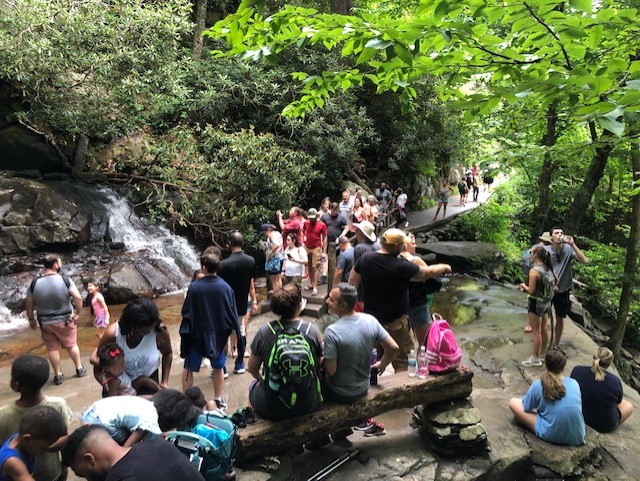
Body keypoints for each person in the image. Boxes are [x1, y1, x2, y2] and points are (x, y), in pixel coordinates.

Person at [349, 228, 452, 370]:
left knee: (373, 358)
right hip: (396, 324)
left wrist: (357, 307)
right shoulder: (401, 266)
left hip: (370, 322)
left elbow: (352, 283)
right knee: (403, 362)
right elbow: (427, 273)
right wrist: (445, 267)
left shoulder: (366, 258)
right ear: (397, 246)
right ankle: (402, 388)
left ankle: (372, 387)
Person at [247, 284, 323, 419]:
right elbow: (316, 366)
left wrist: (265, 381)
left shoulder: (265, 331)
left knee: (252, 387)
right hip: (307, 402)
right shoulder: (312, 330)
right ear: (300, 305)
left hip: (273, 406)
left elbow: (252, 369)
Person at [180, 252, 240, 410]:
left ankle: (188, 403)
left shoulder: (194, 287)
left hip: (197, 336)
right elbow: (231, 312)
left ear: (204, 268)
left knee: (188, 369)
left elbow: (187, 312)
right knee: (218, 367)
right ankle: (218, 399)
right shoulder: (226, 287)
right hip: (218, 336)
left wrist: (186, 333)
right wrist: (233, 335)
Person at [0, 355, 73, 481]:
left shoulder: (3, 414)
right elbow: (62, 441)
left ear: (16, 384)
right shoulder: (58, 404)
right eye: (43, 448)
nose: (44, 450)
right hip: (50, 472)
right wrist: (64, 468)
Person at [61, 424, 205, 481]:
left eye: (83, 474)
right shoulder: (158, 444)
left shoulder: (118, 478)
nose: (87, 479)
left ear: (89, 459)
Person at [25, 254, 86, 385]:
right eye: (60, 262)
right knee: (71, 345)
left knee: (52, 349)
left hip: (46, 322)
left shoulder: (34, 283)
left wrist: (31, 319)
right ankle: (79, 368)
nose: (61, 264)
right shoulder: (65, 280)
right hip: (66, 320)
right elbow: (78, 298)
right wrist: (78, 313)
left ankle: (58, 375)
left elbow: (29, 303)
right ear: (55, 265)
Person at [92, 298, 172, 396]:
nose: (148, 332)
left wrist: (165, 382)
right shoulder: (113, 334)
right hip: (118, 386)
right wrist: (107, 385)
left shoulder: (160, 332)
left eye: (151, 327)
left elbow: (168, 353)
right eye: (143, 330)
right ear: (131, 325)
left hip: (148, 382)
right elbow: (97, 365)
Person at [508, 349, 586, 446]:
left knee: (513, 402)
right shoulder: (574, 383)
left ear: (546, 364)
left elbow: (526, 408)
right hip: (577, 435)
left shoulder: (538, 385)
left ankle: (530, 421)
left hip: (552, 434)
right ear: (563, 366)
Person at [81, 389, 197, 447]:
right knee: (143, 447)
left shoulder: (149, 401)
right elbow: (125, 450)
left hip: (94, 411)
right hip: (97, 424)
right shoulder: (149, 421)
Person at [218, 230, 259, 375]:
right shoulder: (250, 261)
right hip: (242, 303)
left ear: (230, 243)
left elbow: (220, 287)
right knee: (241, 331)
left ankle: (222, 367)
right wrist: (254, 301)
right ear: (242, 243)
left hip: (226, 305)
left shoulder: (223, 265)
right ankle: (240, 364)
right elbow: (251, 284)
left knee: (223, 335)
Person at [570, 347, 634, 433]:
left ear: (594, 357)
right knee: (628, 405)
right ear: (609, 363)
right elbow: (619, 401)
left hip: (577, 417)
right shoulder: (615, 381)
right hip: (603, 426)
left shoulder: (577, 371)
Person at [544, 227, 588, 347]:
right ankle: (543, 344)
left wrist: (573, 244)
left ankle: (556, 344)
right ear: (551, 237)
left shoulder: (568, 249)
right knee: (543, 316)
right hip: (547, 288)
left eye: (561, 233)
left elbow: (584, 261)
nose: (559, 235)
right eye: (556, 233)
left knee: (560, 317)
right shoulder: (545, 250)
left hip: (563, 289)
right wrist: (548, 283)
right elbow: (538, 269)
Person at [0, 407, 67, 481]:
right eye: (43, 448)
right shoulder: (12, 461)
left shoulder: (22, 439)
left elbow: (52, 447)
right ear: (27, 439)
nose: (44, 452)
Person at [519, 246, 556, 367]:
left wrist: (523, 286)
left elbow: (531, 290)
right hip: (546, 303)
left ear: (535, 255)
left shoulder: (534, 271)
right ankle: (542, 353)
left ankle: (535, 358)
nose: (530, 254)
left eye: (531, 252)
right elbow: (556, 281)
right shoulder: (547, 268)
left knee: (535, 331)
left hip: (536, 303)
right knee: (543, 329)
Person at [400, 233, 436, 347]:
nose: (415, 246)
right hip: (417, 305)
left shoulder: (393, 260)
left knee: (406, 343)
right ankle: (422, 364)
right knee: (424, 343)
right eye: (413, 243)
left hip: (401, 305)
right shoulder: (415, 261)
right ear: (405, 245)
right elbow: (433, 279)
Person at [320, 202, 350, 296]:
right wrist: (321, 238)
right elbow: (320, 227)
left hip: (337, 241)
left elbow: (346, 227)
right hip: (326, 240)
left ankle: (334, 275)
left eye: (337, 210)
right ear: (331, 209)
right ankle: (324, 275)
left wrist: (341, 236)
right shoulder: (324, 216)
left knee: (336, 258)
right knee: (325, 256)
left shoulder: (341, 217)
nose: (335, 212)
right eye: (334, 210)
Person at [303, 208, 327, 296]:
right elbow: (303, 231)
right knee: (308, 265)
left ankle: (315, 286)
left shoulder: (321, 225)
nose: (311, 220)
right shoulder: (306, 223)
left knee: (315, 266)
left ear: (316, 216)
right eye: (310, 218)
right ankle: (312, 283)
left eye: (313, 218)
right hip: (307, 246)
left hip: (316, 247)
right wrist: (302, 242)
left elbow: (325, 237)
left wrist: (324, 251)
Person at [260, 223, 284, 292]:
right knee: (278, 278)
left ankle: (277, 296)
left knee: (274, 280)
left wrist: (270, 254)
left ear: (267, 230)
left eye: (264, 232)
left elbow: (276, 245)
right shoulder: (278, 233)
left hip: (274, 260)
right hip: (280, 258)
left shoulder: (271, 235)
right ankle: (280, 296)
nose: (264, 234)